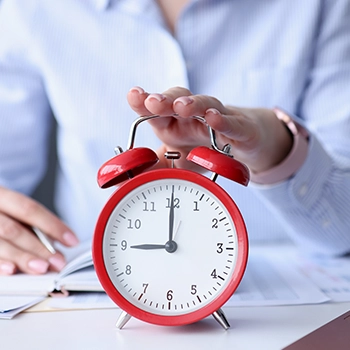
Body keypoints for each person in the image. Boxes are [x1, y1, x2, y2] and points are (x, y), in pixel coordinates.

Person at [0, 0, 349, 275]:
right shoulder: (33, 7)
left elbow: (343, 225)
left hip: (293, 291)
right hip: (106, 278)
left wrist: (279, 150)